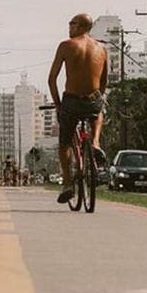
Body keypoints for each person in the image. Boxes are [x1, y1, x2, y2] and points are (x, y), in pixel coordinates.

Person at [48, 13, 108, 204]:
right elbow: (104, 81)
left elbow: (52, 79)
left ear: (82, 26)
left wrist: (58, 105)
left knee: (64, 144)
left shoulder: (66, 45)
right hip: (93, 99)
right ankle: (96, 142)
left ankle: (67, 184)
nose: (69, 27)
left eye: (72, 24)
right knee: (98, 112)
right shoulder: (102, 48)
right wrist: (99, 96)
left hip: (71, 101)